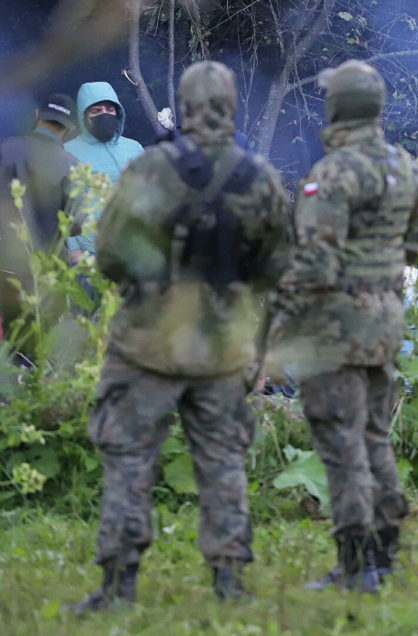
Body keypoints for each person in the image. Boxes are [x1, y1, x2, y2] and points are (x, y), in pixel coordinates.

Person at [69, 61, 291, 613]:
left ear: (186, 107)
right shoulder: (258, 176)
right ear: (230, 106)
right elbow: (277, 268)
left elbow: (111, 253)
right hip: (222, 346)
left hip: (148, 342)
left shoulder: (150, 169)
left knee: (128, 458)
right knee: (221, 461)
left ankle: (119, 586)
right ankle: (229, 583)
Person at [273, 60, 418, 594]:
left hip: (337, 326)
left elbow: (314, 265)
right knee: (375, 436)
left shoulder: (332, 173)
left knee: (342, 445)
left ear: (338, 106)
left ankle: (356, 563)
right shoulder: (407, 167)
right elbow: (413, 247)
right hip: (385, 320)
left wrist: (277, 329)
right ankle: (385, 551)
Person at [0, 94, 79, 333]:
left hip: (4, 264)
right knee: (38, 341)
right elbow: (77, 223)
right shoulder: (71, 164)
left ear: (37, 116)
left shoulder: (5, 148)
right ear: (71, 128)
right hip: (45, 270)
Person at [64, 81, 144, 259]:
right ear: (84, 116)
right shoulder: (68, 151)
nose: (104, 114)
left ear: (118, 112)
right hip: (92, 250)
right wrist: (74, 248)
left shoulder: (134, 147)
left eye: (109, 109)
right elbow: (66, 204)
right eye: (96, 111)